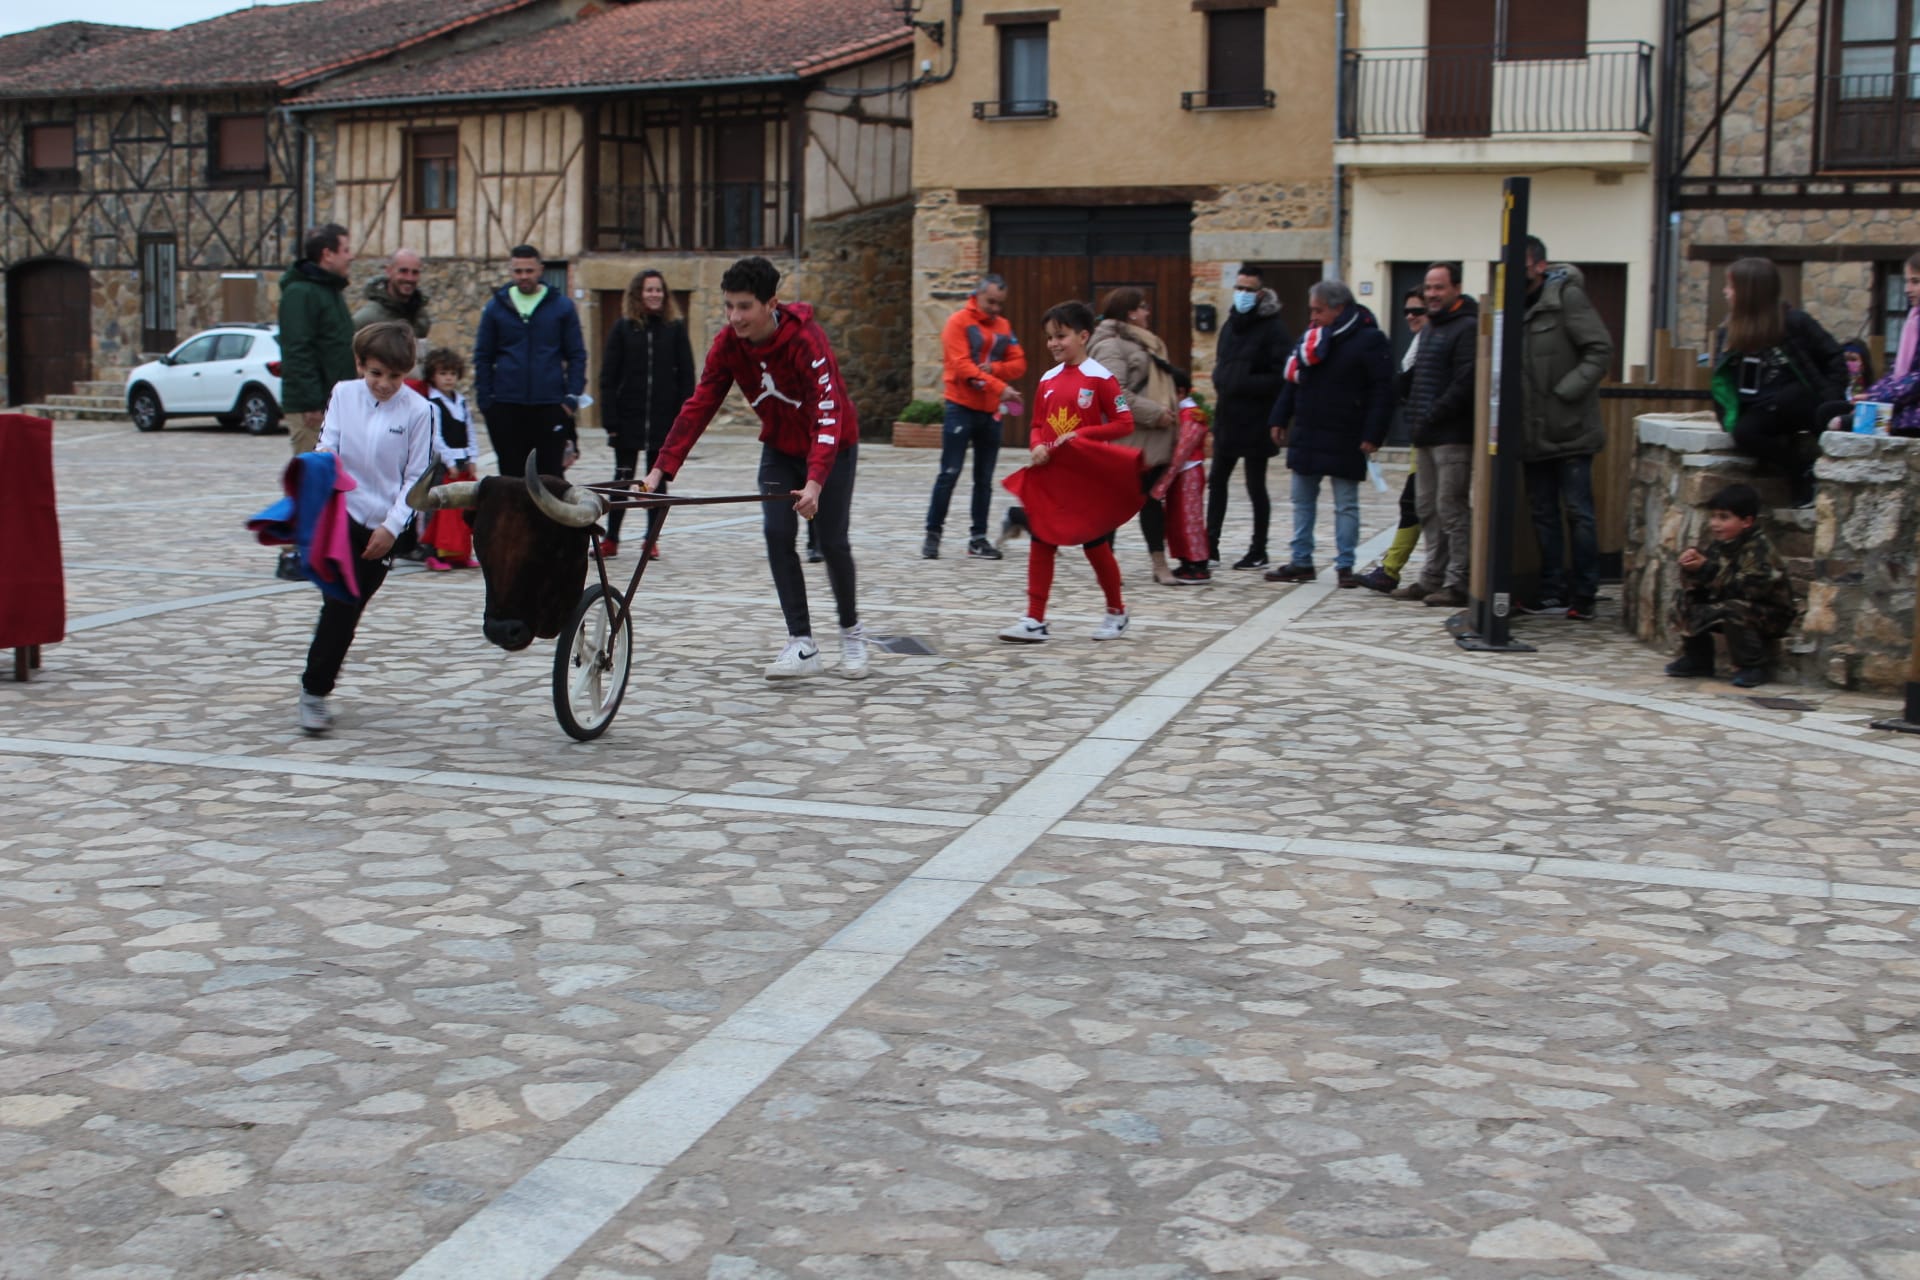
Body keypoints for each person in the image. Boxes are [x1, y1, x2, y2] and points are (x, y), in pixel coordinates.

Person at [643, 256, 865, 680]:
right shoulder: (728, 344)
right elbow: (699, 404)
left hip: (833, 446)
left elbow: (827, 411)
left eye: (744, 306)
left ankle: (851, 631)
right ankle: (802, 643)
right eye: (729, 306)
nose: (734, 316)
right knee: (777, 533)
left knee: (833, 541)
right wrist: (661, 470)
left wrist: (816, 480)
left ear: (771, 304)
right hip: (780, 448)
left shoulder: (807, 340)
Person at [297, 322, 434, 734]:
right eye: (375, 373)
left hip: (384, 526)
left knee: (350, 608)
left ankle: (317, 685)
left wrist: (393, 527)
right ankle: (314, 692)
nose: (384, 384)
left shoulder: (419, 410)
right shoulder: (343, 394)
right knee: (340, 603)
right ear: (360, 365)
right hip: (342, 516)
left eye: (394, 376)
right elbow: (328, 446)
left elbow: (416, 477)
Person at [998, 300, 1138, 643]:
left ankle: (1116, 612)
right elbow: (1036, 425)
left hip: (1085, 478)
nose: (1053, 344)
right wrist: (1036, 446)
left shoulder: (1101, 378)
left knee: (1095, 545)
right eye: (1049, 337)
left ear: (1084, 336)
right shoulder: (1047, 380)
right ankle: (1035, 619)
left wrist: (1083, 435)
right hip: (1050, 477)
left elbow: (1124, 423)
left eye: (1061, 335)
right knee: (1041, 540)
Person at [1263, 281, 1393, 588]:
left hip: (1346, 432)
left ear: (1339, 308)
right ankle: (1301, 561)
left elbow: (1383, 390)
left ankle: (1345, 565)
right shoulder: (1311, 339)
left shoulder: (1369, 340)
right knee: (1302, 501)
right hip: (1309, 431)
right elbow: (1294, 380)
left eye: (1318, 309)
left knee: (1346, 503)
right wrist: (1279, 417)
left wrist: (1374, 433)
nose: (1313, 315)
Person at [1520, 236, 1615, 621]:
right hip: (1531, 432)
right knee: (1542, 514)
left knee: (1579, 513)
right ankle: (1551, 590)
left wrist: (1565, 392)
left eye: (1519, 262)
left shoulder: (1567, 298)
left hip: (1570, 426)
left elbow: (1600, 350)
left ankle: (1585, 593)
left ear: (1539, 265)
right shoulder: (1510, 306)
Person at [1710, 257, 1846, 507]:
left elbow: (1834, 356)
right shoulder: (1728, 333)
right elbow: (1722, 382)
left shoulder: (1795, 322)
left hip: (1801, 405)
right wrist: (1727, 415)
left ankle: (1831, 463)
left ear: (1749, 291)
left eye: (1731, 287)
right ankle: (1801, 471)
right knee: (1744, 432)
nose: (1725, 292)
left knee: (1791, 398)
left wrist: (1833, 396)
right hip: (1762, 409)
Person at [1392, 262, 1479, 609]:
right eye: (1428, 288)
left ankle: (1460, 580)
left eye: (1438, 288)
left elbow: (1464, 382)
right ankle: (1432, 576)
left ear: (1455, 288)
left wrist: (1433, 412)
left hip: (1452, 434)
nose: (1431, 294)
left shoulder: (1466, 327)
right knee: (1426, 507)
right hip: (1425, 434)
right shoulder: (1431, 328)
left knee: (1451, 507)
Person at [275, 223, 358, 579]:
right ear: (327, 254)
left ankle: (324, 549)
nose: (350, 256)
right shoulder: (301, 293)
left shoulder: (328, 291)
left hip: (333, 403)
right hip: (312, 406)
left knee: (329, 479)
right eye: (345, 249)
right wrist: (311, 401)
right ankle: (294, 553)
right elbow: (298, 350)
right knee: (310, 477)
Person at [925, 274, 1026, 561]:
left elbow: (1019, 363)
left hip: (990, 411)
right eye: (991, 301)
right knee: (949, 473)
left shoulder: (1004, 326)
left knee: (984, 478)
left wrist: (994, 370)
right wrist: (1000, 387)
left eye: (1000, 303)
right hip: (961, 406)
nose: (995, 308)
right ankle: (933, 534)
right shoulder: (958, 322)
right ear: (977, 295)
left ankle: (978, 538)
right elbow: (962, 368)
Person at [599, 268, 694, 560]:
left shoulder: (675, 329)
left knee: (657, 481)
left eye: (658, 290)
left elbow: (687, 375)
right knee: (623, 478)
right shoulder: (624, 328)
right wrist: (610, 419)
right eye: (649, 290)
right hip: (628, 417)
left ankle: (651, 539)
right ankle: (612, 538)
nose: (654, 295)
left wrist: (682, 417)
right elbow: (608, 376)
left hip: (664, 419)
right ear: (639, 294)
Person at [1089, 288, 1180, 585]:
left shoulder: (1140, 341)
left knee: (1152, 500)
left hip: (1149, 438)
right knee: (1115, 503)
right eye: (1143, 308)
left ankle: (1159, 563)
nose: (1147, 313)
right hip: (1127, 438)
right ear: (1129, 312)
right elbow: (1115, 394)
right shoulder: (1110, 346)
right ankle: (1106, 566)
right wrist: (1155, 413)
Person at [1665, 483, 1797, 689]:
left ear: (1747, 521)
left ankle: (1752, 665)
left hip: (1771, 614)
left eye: (1724, 517)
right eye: (1714, 516)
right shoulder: (1721, 545)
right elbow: (1703, 584)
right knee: (1684, 599)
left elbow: (1748, 589)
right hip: (1736, 604)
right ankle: (1698, 658)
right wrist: (1693, 569)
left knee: (1732, 608)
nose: (1715, 524)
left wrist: (1708, 568)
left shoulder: (1759, 549)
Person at [473, 244, 588, 480]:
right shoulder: (496, 307)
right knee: (511, 480)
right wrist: (487, 402)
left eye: (529, 271)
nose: (523, 276)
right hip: (506, 406)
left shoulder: (561, 307)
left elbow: (576, 354)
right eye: (518, 271)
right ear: (511, 271)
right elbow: (483, 356)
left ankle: (547, 520)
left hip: (550, 406)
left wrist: (571, 398)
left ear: (540, 270)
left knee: (550, 480)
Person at [1206, 264, 1290, 570]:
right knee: (1217, 480)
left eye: (1249, 289)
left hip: (1257, 417)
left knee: (1256, 484)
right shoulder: (1230, 324)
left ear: (1261, 293)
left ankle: (1258, 549)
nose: (1242, 294)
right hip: (1229, 414)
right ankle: (1210, 545)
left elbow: (1282, 375)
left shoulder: (1274, 328)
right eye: (1239, 288)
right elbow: (1222, 362)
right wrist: (1222, 379)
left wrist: (1244, 383)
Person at [1357, 288, 1429, 594]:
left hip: (1435, 435)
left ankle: (1392, 570)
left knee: (1420, 504)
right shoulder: (1420, 343)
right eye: (1407, 311)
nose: (1411, 316)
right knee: (1416, 504)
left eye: (1418, 310)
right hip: (1420, 435)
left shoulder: (1435, 342)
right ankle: (1393, 569)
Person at [1823, 251, 1920, 437]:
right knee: (1829, 411)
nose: (1907, 289)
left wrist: (1878, 399)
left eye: (1915, 282)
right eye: (1906, 281)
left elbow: (1916, 381)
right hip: (1902, 402)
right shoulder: (1913, 320)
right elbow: (1898, 373)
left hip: (1912, 411)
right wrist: (1871, 395)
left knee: (1841, 422)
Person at [420, 347, 477, 572]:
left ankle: (459, 552)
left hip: (462, 460)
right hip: (442, 464)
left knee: (463, 508)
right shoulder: (431, 404)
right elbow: (436, 436)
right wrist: (450, 462)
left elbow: (469, 430)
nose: (449, 378)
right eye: (443, 373)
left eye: (452, 373)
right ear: (433, 376)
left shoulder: (461, 402)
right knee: (437, 509)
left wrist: (472, 456)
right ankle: (432, 553)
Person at [1153, 370, 1210, 582]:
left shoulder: (1191, 416)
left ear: (1180, 392)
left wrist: (1161, 484)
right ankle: (1187, 560)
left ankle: (1198, 564)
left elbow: (1181, 452)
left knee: (1189, 518)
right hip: (1180, 474)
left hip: (1188, 473)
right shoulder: (1180, 414)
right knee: (1177, 518)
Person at [351, 248, 431, 370]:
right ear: (389, 271)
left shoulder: (421, 317)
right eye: (403, 271)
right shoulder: (366, 319)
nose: (409, 278)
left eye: (415, 272)